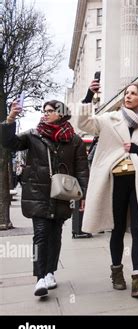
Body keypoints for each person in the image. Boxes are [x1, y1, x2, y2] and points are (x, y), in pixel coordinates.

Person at [78, 80, 138, 298]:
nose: (128, 96)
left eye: (133, 93)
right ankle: (116, 272)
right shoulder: (109, 119)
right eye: (126, 93)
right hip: (114, 181)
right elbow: (85, 123)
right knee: (116, 228)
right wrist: (89, 97)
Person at [1, 99, 89, 297]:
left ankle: (50, 272)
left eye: (50, 111)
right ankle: (40, 277)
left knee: (55, 235)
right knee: (40, 235)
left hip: (63, 194)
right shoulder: (34, 134)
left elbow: (82, 169)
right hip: (38, 193)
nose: (46, 113)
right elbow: (10, 143)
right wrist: (11, 118)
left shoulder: (74, 140)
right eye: (45, 110)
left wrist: (83, 194)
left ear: (62, 113)